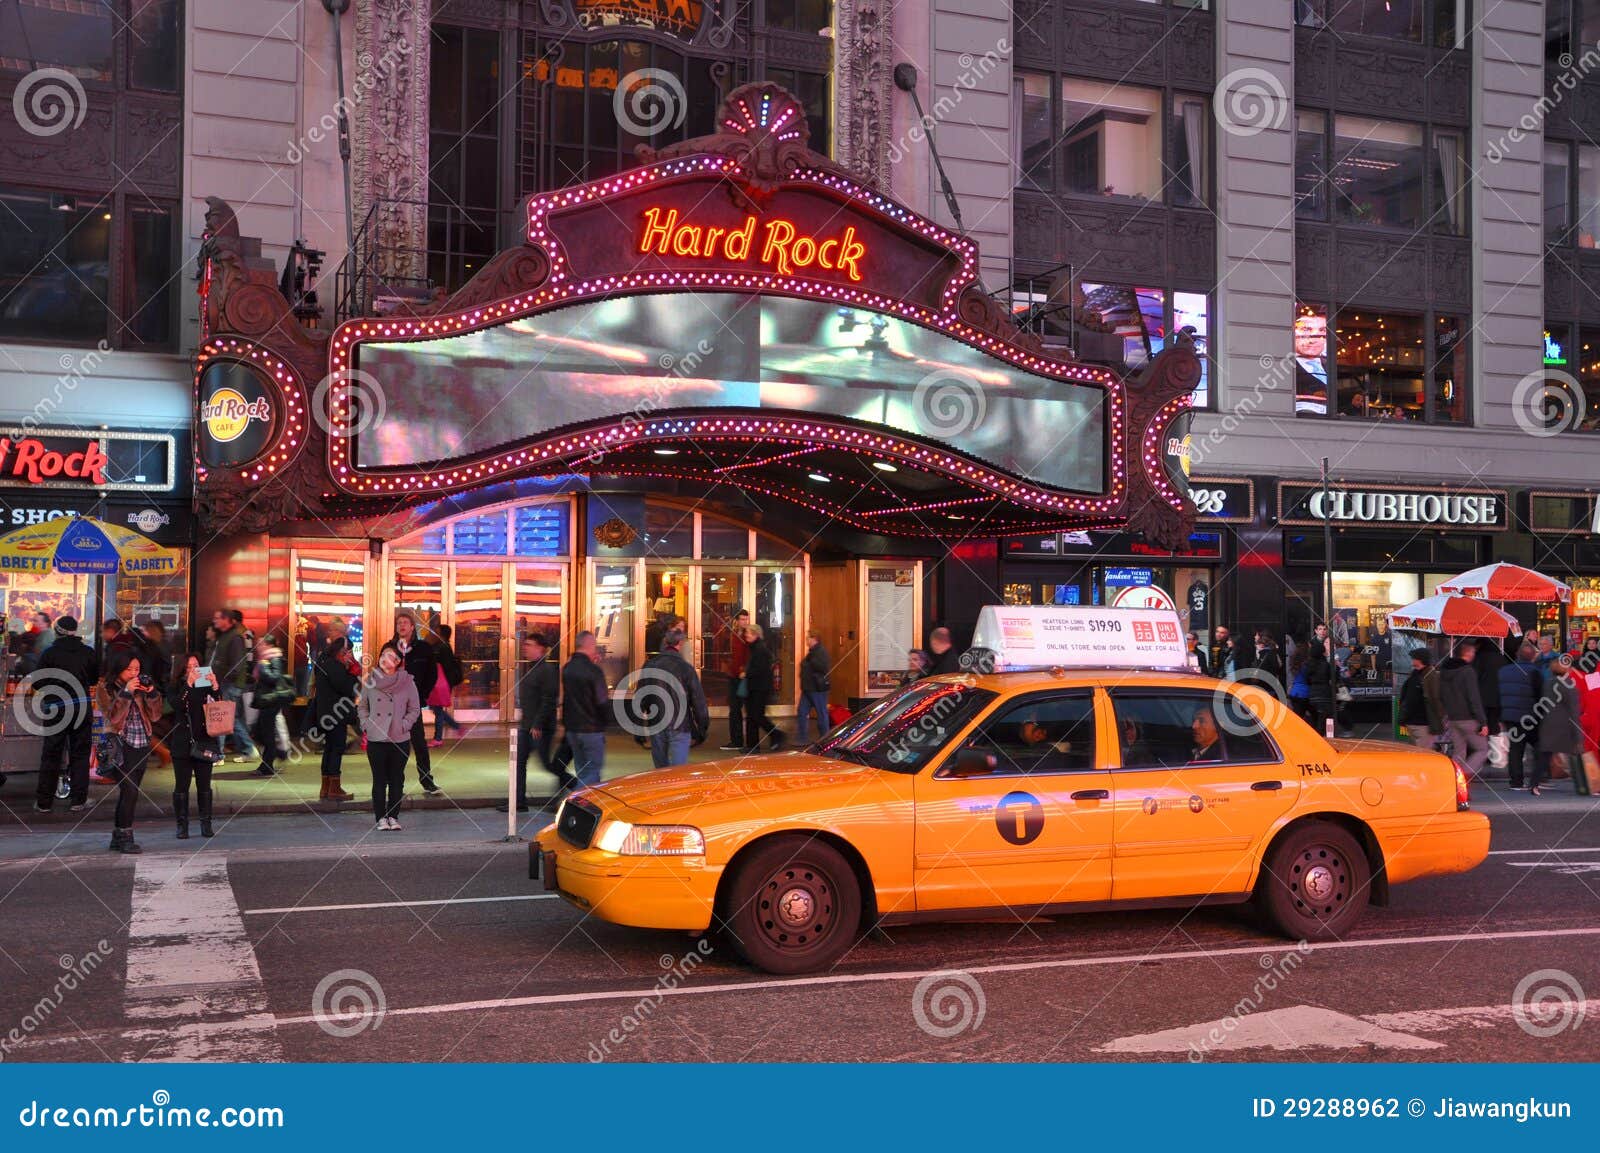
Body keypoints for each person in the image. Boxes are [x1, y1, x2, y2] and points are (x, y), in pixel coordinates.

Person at [97, 648, 164, 854]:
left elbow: (155, 716)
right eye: (129, 669)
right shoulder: (105, 688)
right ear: (118, 669)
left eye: (137, 668)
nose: (134, 673)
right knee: (130, 790)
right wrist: (126, 692)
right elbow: (114, 717)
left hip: (141, 743)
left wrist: (151, 693)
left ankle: (118, 836)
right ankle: (126, 837)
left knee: (130, 794)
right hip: (119, 744)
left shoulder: (141, 687)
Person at [32, 616, 99, 813]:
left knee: (51, 754)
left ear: (57, 630)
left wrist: (52, 688)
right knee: (80, 754)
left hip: (56, 707)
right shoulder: (88, 652)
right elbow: (94, 678)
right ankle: (78, 800)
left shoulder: (49, 653)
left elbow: (37, 682)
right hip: (81, 707)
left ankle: (44, 802)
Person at [359, 643, 420, 831]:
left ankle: (393, 816)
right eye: (383, 655)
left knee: (396, 779)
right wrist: (366, 724)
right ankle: (380, 818)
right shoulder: (370, 680)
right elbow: (363, 706)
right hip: (377, 737)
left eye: (391, 656)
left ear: (398, 661)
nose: (386, 660)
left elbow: (414, 708)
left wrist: (404, 725)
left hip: (399, 737)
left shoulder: (407, 682)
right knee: (379, 780)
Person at [504, 632, 561, 811]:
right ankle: (518, 802)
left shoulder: (547, 670)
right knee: (518, 762)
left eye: (529, 645)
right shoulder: (532, 668)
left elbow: (549, 699)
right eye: (525, 644)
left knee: (546, 764)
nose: (525, 648)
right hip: (526, 725)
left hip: (539, 728)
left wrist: (538, 724)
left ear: (540, 649)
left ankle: (573, 783)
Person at [387, 611, 442, 795]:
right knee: (396, 746)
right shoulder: (389, 648)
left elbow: (431, 674)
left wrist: (421, 695)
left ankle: (427, 781)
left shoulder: (423, 649)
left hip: (413, 704)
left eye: (405, 622)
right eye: (399, 623)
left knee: (419, 743)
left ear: (412, 627)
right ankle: (396, 784)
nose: (401, 625)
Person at [168, 654, 221, 838]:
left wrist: (215, 687)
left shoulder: (205, 685)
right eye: (190, 666)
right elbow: (177, 705)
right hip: (182, 742)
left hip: (204, 741)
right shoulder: (177, 686)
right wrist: (188, 685)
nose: (194, 669)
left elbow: (218, 710)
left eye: (197, 665)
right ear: (183, 670)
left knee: (204, 784)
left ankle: (206, 823)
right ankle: (182, 825)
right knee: (182, 785)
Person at [642, 628, 710, 768]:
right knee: (678, 771)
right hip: (680, 725)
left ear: (665, 642)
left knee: (661, 770)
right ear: (679, 644)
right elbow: (698, 700)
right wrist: (702, 727)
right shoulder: (686, 668)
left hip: (657, 722)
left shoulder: (650, 665)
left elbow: (642, 698)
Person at [310, 635, 359, 801]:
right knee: (337, 748)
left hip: (325, 712)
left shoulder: (323, 662)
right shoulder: (335, 666)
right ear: (342, 652)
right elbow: (347, 688)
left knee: (329, 748)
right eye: (349, 653)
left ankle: (325, 787)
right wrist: (353, 674)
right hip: (336, 714)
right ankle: (334, 788)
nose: (350, 656)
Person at [208, 608, 257, 763]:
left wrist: (221, 679)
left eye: (217, 618)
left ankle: (222, 754)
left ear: (227, 620)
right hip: (228, 683)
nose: (214, 621)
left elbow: (236, 665)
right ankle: (248, 749)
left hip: (229, 684)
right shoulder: (227, 636)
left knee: (224, 717)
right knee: (230, 718)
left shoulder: (234, 638)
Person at [562, 630, 610, 787]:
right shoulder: (594, 671)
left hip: (573, 728)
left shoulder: (567, 668)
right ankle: (571, 800)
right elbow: (601, 701)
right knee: (592, 772)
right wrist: (605, 723)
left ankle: (586, 807)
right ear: (590, 645)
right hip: (591, 728)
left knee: (583, 770)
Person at [1532, 653, 1583, 796]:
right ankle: (1585, 784)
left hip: (1548, 724)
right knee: (1577, 755)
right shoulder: (1569, 687)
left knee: (1544, 756)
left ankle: (1534, 784)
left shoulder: (1548, 683)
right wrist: (1578, 736)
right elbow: (1574, 712)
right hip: (1565, 726)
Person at [1438, 638, 1489, 777]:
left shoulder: (1444, 671)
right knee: (1482, 749)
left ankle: (1453, 779)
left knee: (1459, 752)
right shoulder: (1468, 672)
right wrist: (1483, 722)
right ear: (1467, 652)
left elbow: (1441, 695)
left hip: (1453, 717)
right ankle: (1463, 776)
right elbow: (1474, 698)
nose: (1474, 654)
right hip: (1468, 718)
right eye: (1472, 651)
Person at [1498, 642, 1544, 789]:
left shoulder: (1503, 671)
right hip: (1531, 716)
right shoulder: (1536, 672)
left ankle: (1516, 781)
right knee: (1539, 746)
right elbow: (1540, 696)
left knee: (1516, 748)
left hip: (1511, 716)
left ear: (1518, 654)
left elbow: (1498, 694)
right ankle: (1538, 778)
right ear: (1532, 657)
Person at [249, 634, 293, 777]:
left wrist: (262, 667)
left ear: (269, 645)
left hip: (271, 700)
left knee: (267, 734)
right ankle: (275, 756)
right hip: (266, 700)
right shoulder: (267, 659)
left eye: (261, 644)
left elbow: (274, 677)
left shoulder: (274, 658)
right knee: (261, 732)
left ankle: (267, 765)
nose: (258, 647)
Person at [742, 623, 782, 753]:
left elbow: (760, 670)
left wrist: (746, 673)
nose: (746, 635)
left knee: (756, 716)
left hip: (759, 689)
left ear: (755, 635)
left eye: (748, 633)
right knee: (752, 716)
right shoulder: (754, 648)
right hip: (755, 688)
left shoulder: (760, 650)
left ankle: (776, 734)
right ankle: (752, 746)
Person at [1397, 648, 1445, 751]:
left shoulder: (1430, 675)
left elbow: (1435, 698)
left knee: (1423, 753)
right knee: (1417, 753)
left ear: (1421, 660)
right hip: (1414, 722)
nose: (1412, 660)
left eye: (1414, 658)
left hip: (1423, 723)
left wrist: (1439, 716)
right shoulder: (1415, 674)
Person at [720, 608, 752, 752]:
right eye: (743, 619)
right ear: (737, 621)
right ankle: (737, 740)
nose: (745, 622)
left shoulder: (749, 636)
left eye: (747, 619)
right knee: (734, 709)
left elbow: (750, 656)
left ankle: (745, 741)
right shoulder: (734, 634)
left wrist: (744, 670)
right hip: (734, 676)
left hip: (744, 677)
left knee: (747, 710)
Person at [428, 623, 465, 745]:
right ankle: (456, 727)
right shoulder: (442, 646)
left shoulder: (443, 648)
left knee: (437, 709)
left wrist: (447, 684)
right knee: (436, 708)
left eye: (437, 632)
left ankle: (438, 738)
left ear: (442, 634)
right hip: (441, 683)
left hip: (440, 683)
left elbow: (445, 667)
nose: (434, 634)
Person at [797, 630, 832, 743]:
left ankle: (824, 738)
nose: (806, 640)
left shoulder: (821, 652)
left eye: (808, 638)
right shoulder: (811, 652)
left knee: (821, 714)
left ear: (814, 639)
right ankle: (802, 738)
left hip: (817, 689)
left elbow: (824, 668)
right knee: (802, 712)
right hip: (807, 688)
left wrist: (811, 663)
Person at [1303, 640, 1335, 734]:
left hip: (1313, 693)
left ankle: (1316, 736)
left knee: (1315, 718)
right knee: (1325, 719)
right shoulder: (1326, 665)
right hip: (1325, 693)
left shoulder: (1308, 665)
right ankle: (1324, 736)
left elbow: (1307, 679)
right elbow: (1333, 677)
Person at [1254, 631, 1285, 698]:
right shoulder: (1273, 652)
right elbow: (1279, 666)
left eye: (1257, 644)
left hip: (1263, 683)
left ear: (1262, 645)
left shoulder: (1263, 654)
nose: (1256, 646)